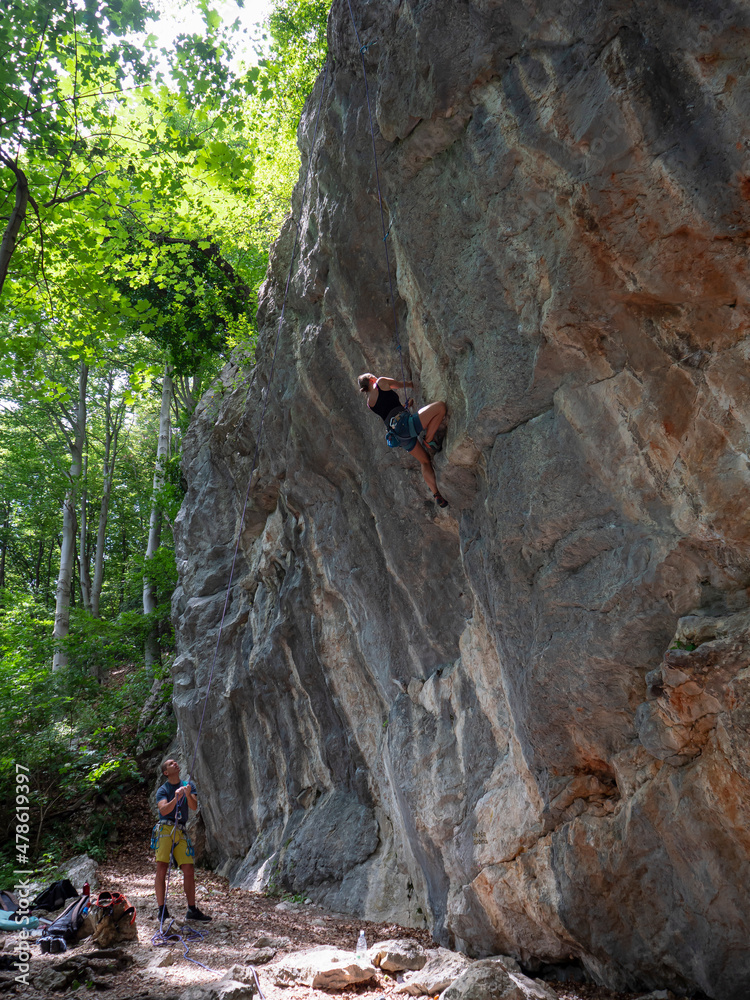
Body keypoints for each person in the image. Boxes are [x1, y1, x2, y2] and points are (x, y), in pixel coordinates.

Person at [358, 373, 448, 507]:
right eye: (374, 376)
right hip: (406, 424)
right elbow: (399, 384)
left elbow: (389, 410)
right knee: (440, 407)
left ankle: (436, 494)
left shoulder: (369, 403)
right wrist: (412, 384)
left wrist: (405, 408)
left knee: (424, 461)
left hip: (398, 436)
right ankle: (428, 440)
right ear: (371, 379)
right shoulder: (381, 382)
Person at [153, 758, 212, 923]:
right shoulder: (163, 790)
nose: (175, 764)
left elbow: (193, 806)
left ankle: (192, 909)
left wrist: (187, 794)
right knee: (162, 868)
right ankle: (162, 909)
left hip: (180, 830)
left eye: (175, 762)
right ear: (166, 772)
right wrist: (176, 798)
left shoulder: (188, 785)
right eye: (171, 764)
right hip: (165, 829)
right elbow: (164, 810)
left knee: (189, 869)